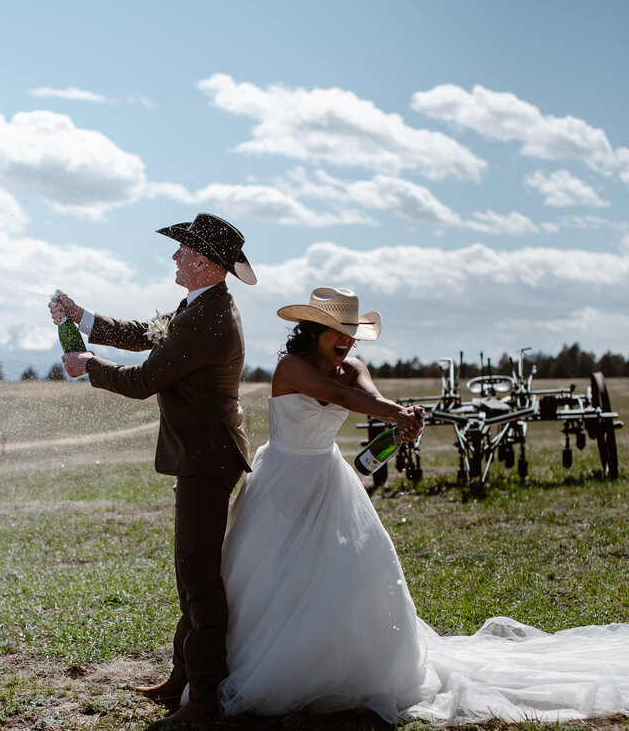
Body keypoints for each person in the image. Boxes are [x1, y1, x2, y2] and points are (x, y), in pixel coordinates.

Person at [216, 287, 629, 725]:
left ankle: (341, 665)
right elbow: (345, 400)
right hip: (282, 478)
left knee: (351, 572)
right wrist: (396, 415)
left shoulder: (353, 367)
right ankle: (258, 659)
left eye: (352, 334)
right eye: (338, 332)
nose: (347, 341)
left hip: (327, 478)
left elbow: (370, 396)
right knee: (270, 572)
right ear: (315, 329)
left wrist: (402, 416)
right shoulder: (291, 367)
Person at [49, 213, 255, 727]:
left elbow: (144, 380)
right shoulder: (200, 306)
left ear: (205, 262)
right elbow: (147, 333)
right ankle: (182, 677)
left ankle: (204, 699)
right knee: (191, 571)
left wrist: (88, 366)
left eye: (182, 249)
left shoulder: (209, 319)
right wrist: (83, 315)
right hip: (202, 455)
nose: (174, 257)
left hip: (208, 459)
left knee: (199, 575)